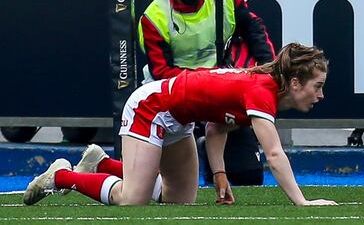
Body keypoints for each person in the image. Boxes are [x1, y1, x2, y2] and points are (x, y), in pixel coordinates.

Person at [23, 43, 337, 207]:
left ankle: (101, 163)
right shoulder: (262, 91)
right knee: (132, 199)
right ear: (295, 83)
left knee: (180, 199)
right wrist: (302, 201)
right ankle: (62, 176)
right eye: (318, 86)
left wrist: (220, 174)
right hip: (151, 107)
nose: (321, 95)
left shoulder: (264, 90)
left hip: (177, 119)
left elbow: (216, 128)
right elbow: (274, 154)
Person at [139, 0, 275, 185]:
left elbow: (254, 29)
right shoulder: (154, 17)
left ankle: (215, 150)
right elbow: (160, 70)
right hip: (172, 96)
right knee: (156, 185)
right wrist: (203, 86)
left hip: (220, 90)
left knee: (248, 176)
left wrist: (270, 69)